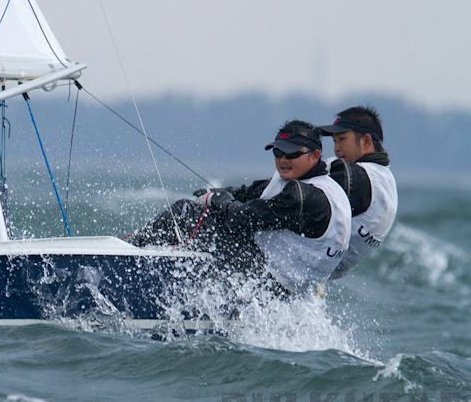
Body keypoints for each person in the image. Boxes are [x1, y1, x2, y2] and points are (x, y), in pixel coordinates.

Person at [130, 120, 352, 298]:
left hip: (270, 284)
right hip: (292, 286)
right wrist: (218, 194)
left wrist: (219, 201)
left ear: (315, 155)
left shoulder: (305, 197)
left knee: (185, 212)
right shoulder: (321, 185)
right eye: (278, 153)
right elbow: (248, 193)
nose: (283, 160)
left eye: (292, 154)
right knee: (212, 217)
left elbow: (242, 218)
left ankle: (129, 253)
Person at [317, 106, 398, 278]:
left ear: (366, 142)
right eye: (334, 141)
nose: (336, 149)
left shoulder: (358, 178)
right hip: (322, 270)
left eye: (342, 139)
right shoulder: (385, 178)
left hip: (301, 263)